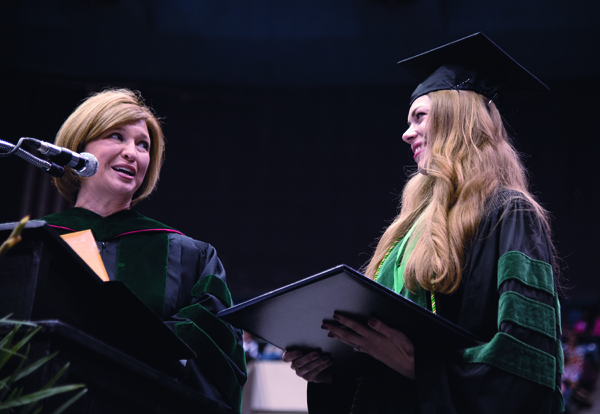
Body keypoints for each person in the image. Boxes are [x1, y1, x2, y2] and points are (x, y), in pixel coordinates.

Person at [283, 33, 564, 413]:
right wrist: (333, 371)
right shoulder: (410, 228)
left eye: (419, 117)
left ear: (456, 118)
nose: (406, 133)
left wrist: (419, 366)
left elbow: (527, 362)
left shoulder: (509, 213)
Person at [38, 88, 246, 412]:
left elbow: (217, 344)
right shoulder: (33, 242)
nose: (132, 153)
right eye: (116, 136)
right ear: (79, 146)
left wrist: (125, 347)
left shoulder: (190, 256)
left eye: (143, 145)